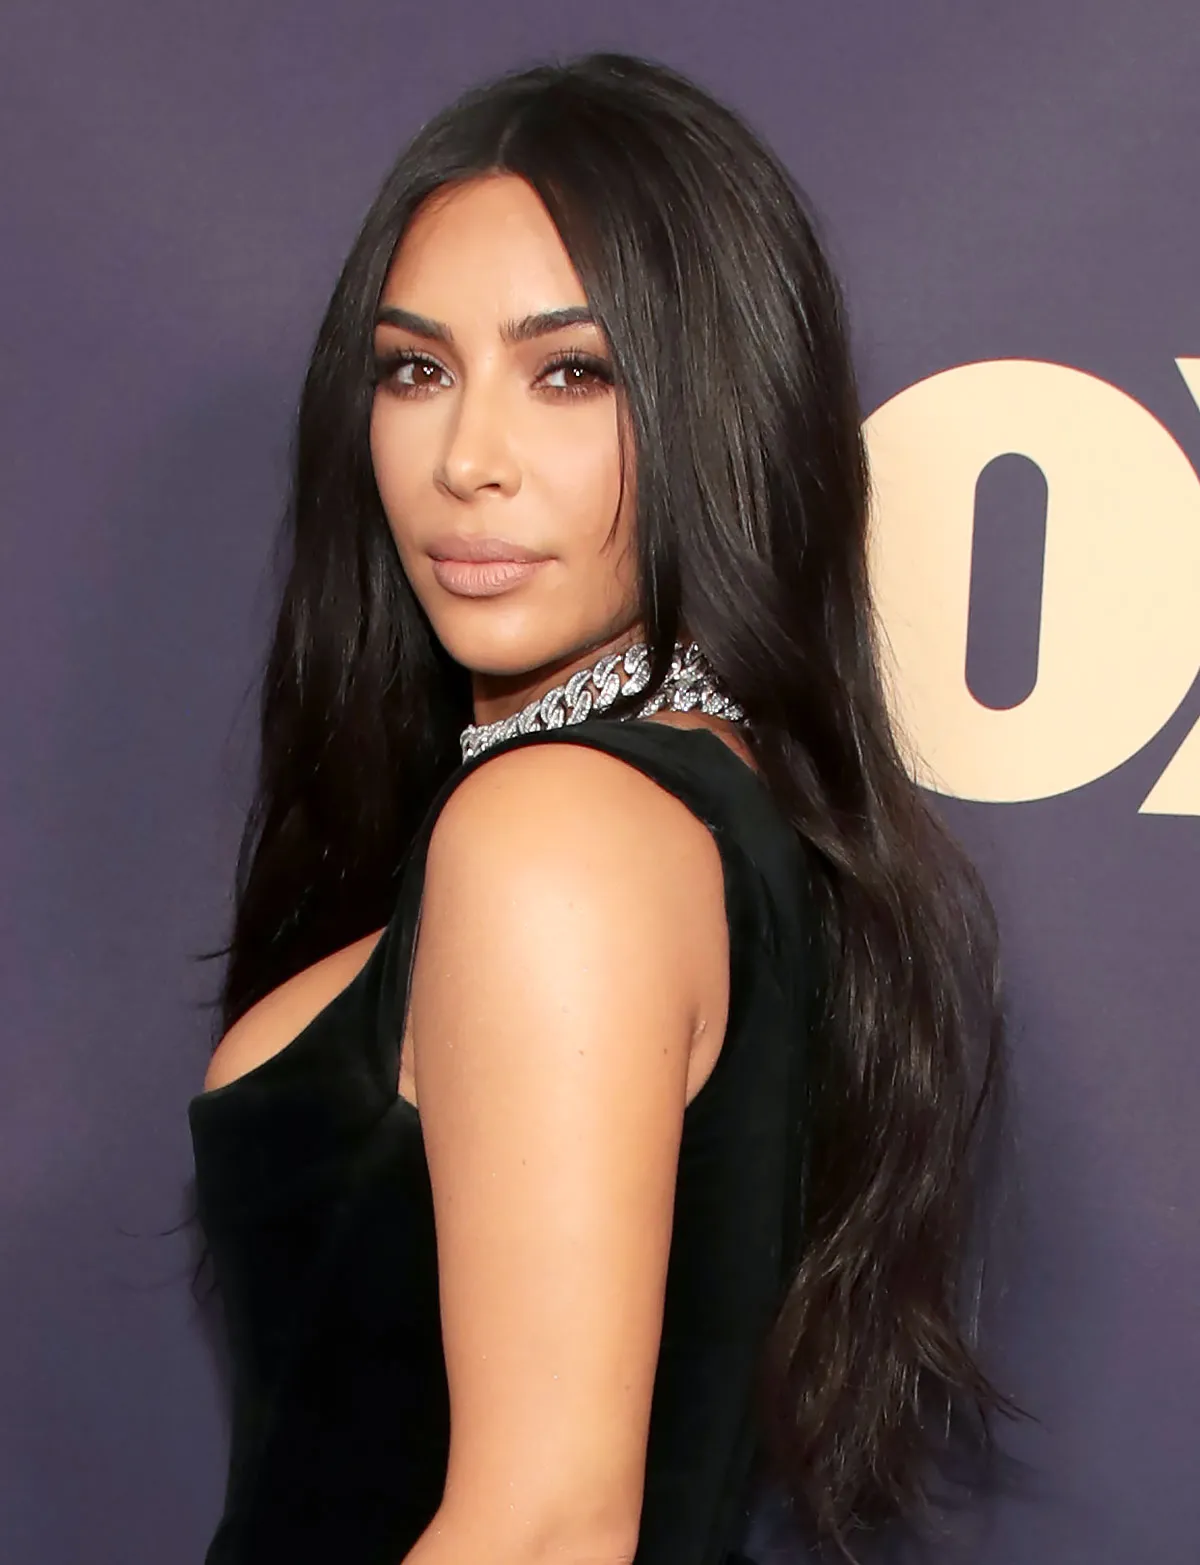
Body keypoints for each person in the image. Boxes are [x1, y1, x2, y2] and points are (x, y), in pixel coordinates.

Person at [188, 49, 1013, 1565]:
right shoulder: (689, 801)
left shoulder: (557, 830)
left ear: (719, 408)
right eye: (415, 370)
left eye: (571, 373)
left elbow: (548, 1530)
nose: (467, 460)